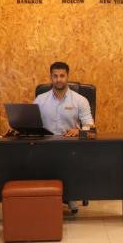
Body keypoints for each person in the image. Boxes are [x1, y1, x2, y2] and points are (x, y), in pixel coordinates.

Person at [34, 61, 94, 214]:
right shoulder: (40, 99)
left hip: (70, 146)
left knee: (67, 160)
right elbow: (32, 123)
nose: (58, 79)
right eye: (55, 76)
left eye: (62, 76)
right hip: (45, 146)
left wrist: (78, 131)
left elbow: (91, 127)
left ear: (67, 77)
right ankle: (43, 196)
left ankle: (70, 195)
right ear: (51, 77)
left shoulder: (80, 100)